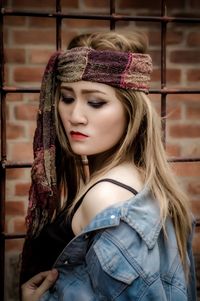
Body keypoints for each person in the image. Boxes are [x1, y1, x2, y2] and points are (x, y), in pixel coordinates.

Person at [20, 31, 197, 301]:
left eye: (96, 102)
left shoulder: (106, 197)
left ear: (132, 111)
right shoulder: (141, 179)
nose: (75, 116)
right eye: (67, 98)